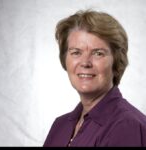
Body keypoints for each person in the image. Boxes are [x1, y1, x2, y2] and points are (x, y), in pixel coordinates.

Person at [43, 9, 146, 147]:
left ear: (116, 61)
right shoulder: (60, 125)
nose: (85, 62)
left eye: (98, 53)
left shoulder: (127, 126)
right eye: (76, 52)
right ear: (64, 59)